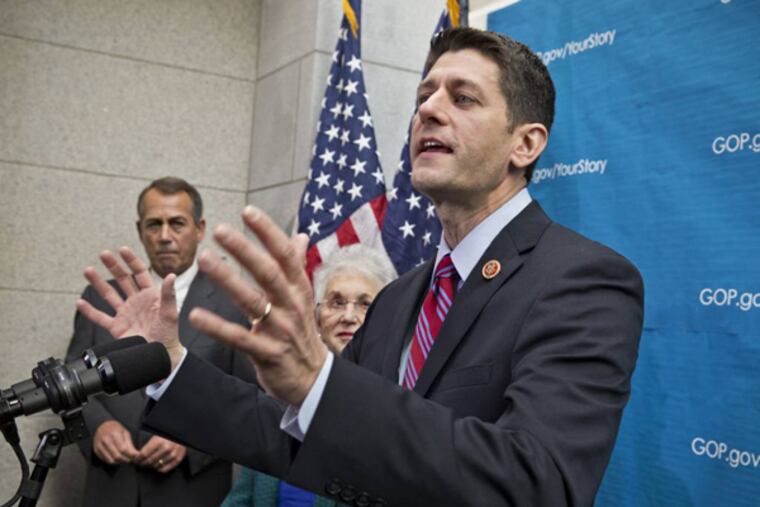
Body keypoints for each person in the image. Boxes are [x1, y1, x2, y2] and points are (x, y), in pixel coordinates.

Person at [79, 28, 644, 507]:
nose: (428, 108)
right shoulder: (399, 297)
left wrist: (321, 385)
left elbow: (536, 482)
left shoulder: (584, 280)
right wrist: (169, 365)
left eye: (463, 98)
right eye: (425, 94)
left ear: (525, 144)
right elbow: (296, 437)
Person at [66, 177, 258, 507]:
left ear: (199, 229)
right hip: (111, 489)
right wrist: (97, 428)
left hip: (191, 491)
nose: (165, 236)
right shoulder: (99, 298)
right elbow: (70, 387)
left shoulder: (233, 304)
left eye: (177, 223)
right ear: (141, 230)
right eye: (155, 224)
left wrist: (192, 442)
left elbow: (249, 403)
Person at [221, 244, 396, 507]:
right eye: (336, 302)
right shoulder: (283, 398)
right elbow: (241, 499)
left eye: (364, 304)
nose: (348, 316)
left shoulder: (399, 406)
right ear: (316, 318)